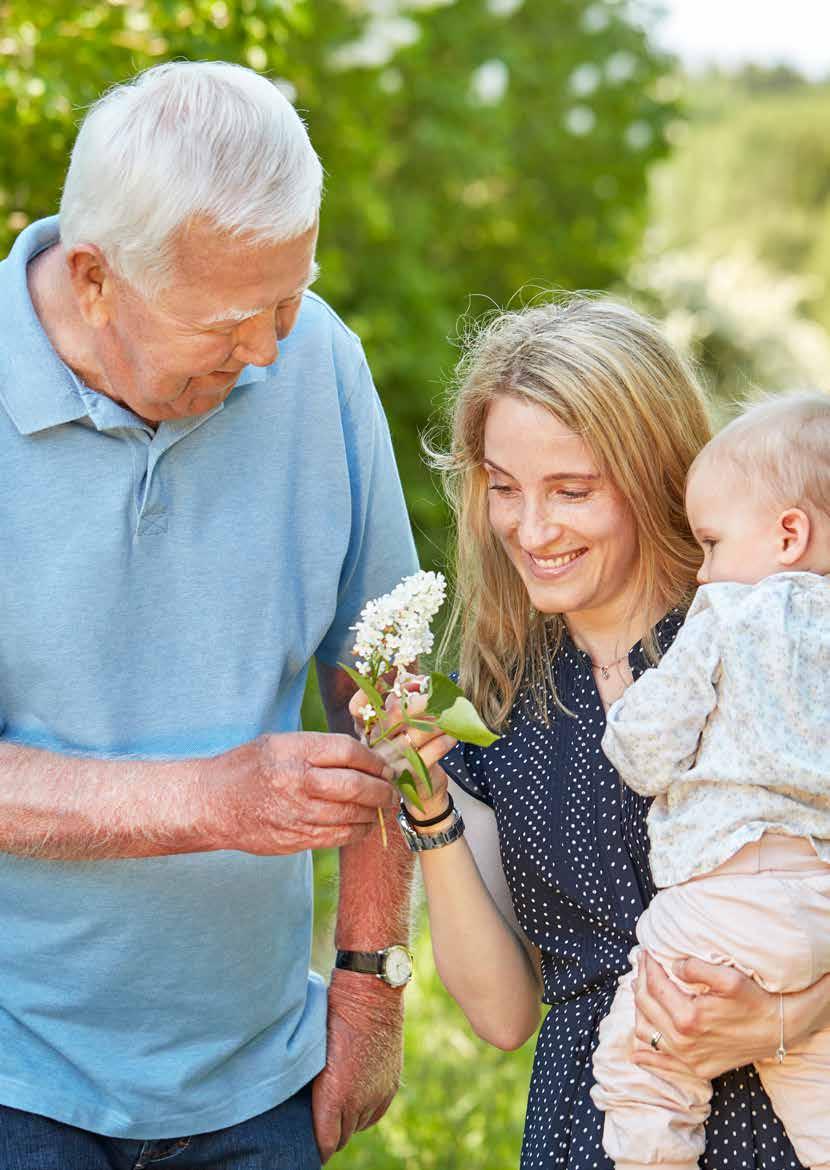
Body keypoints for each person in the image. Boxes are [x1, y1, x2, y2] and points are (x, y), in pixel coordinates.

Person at [0, 61, 419, 1169]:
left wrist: (370, 988)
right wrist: (207, 799)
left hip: (259, 1080)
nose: (268, 353)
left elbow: (385, 698)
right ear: (93, 278)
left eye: (289, 299)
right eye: (231, 321)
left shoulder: (318, 362)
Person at [356, 299, 830, 1170]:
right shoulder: (496, 706)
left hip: (785, 1118)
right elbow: (501, 1017)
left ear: (651, 475)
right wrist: (427, 804)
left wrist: (787, 1014)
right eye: (504, 488)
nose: (530, 531)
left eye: (570, 491)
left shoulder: (762, 635)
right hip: (593, 1129)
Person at [591, 392, 830, 1170]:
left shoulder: (727, 614)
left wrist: (627, 709)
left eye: (713, 542)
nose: (704, 568)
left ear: (788, 534)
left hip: (727, 897)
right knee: (817, 1083)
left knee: (645, 1067)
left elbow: (645, 753)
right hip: (819, 909)